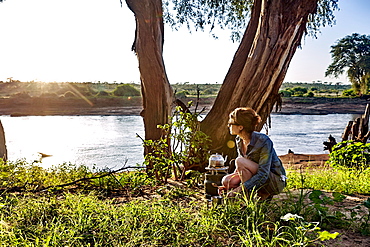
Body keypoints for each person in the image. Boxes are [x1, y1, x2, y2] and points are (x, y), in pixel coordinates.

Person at [219, 107, 286, 200]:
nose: (228, 126)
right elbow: (241, 168)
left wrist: (239, 189)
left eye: (230, 123)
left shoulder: (263, 141)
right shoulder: (239, 140)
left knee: (240, 161)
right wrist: (228, 186)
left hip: (274, 180)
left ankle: (251, 198)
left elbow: (263, 174)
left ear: (240, 127)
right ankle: (255, 196)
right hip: (255, 175)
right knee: (227, 181)